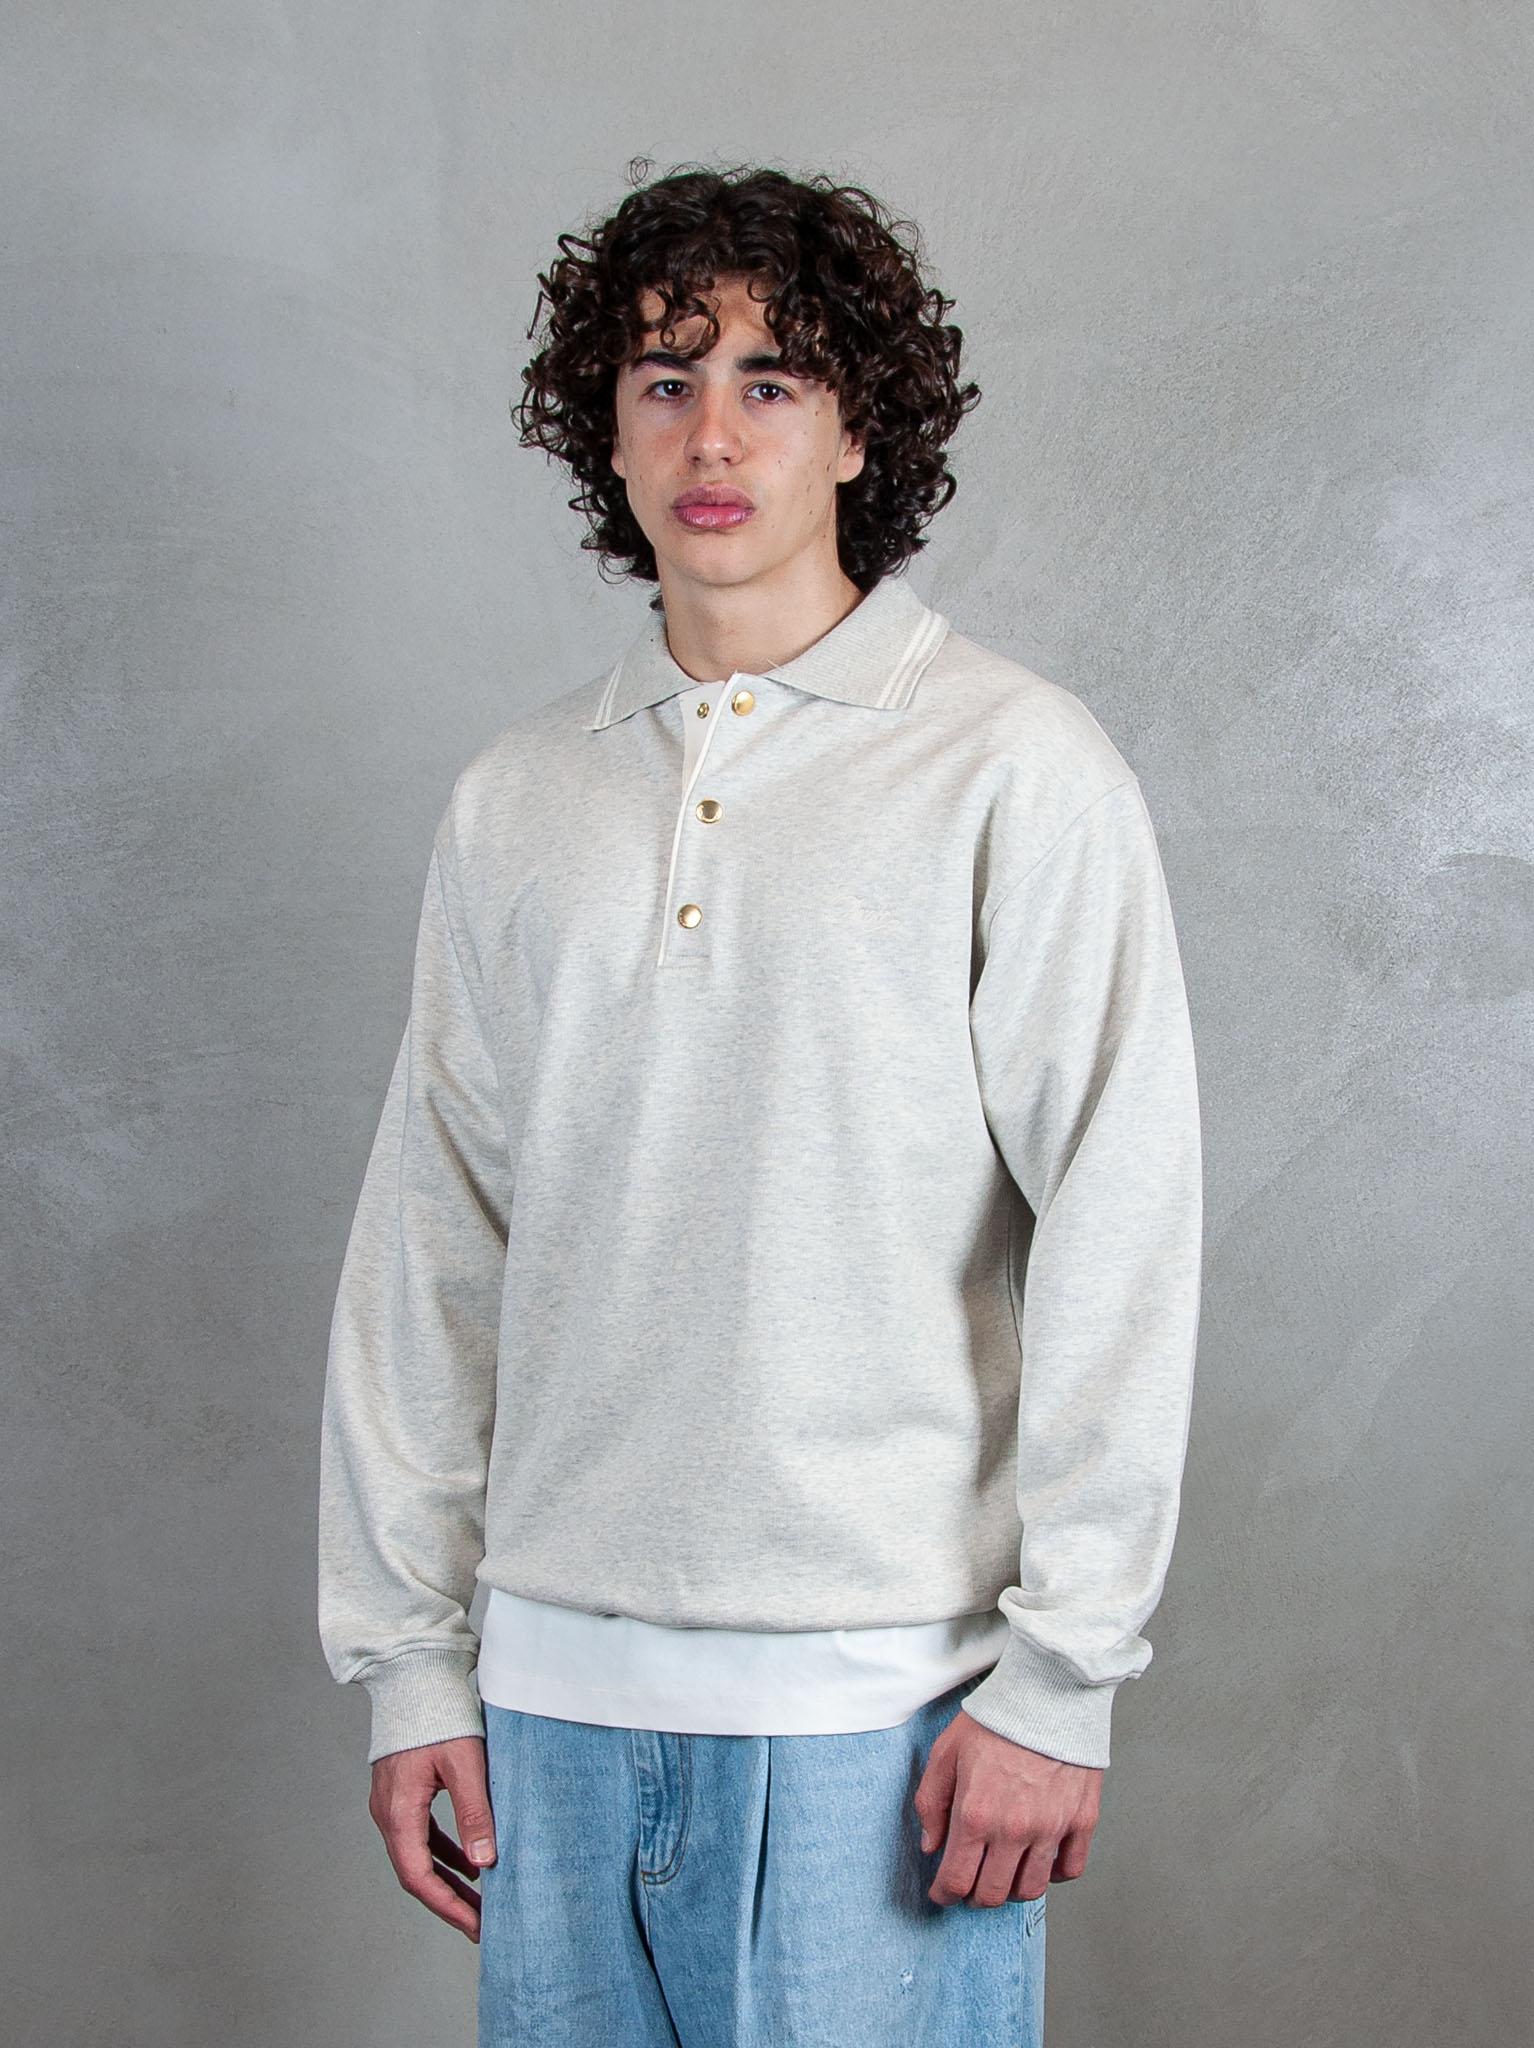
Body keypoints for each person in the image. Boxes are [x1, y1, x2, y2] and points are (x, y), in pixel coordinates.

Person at [317, 162, 1203, 2048]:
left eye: (770, 381)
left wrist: (1062, 1681)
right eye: (663, 380)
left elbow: (1121, 1221)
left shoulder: (1013, 766)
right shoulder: (516, 796)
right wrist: (411, 1666)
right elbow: (432, 1241)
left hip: (889, 1714)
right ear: (606, 430)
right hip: (549, 1712)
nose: (710, 435)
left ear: (858, 428)